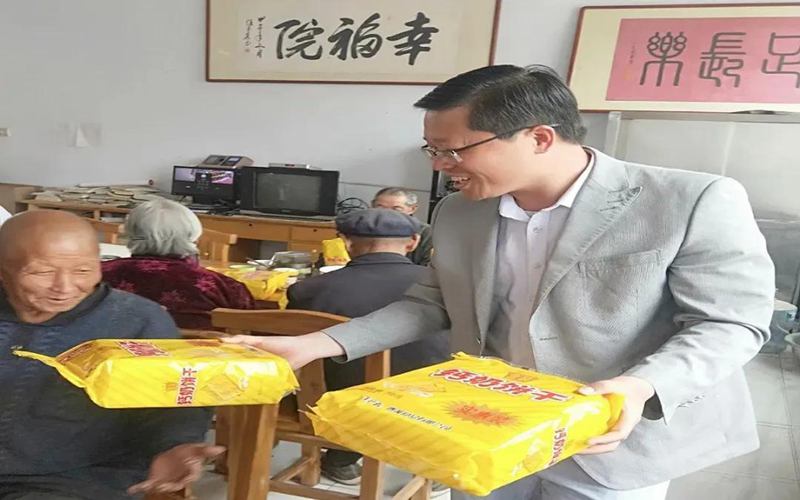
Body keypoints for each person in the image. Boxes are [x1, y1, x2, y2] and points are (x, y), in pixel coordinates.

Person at [225, 64, 775, 500]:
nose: (440, 165)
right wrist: (316, 343)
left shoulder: (688, 200)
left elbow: (731, 324)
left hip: (611, 442)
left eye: (454, 150)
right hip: (486, 429)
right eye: (432, 150)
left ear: (539, 138)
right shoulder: (460, 213)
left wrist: (641, 385)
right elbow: (431, 303)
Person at [0, 210, 220, 500]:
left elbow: (172, 402)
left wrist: (177, 444)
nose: (64, 287)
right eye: (42, 272)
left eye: (83, 271)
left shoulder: (137, 321)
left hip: (77, 478)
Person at [287, 208, 448, 486]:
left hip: (338, 408)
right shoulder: (445, 287)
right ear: (413, 242)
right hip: (429, 408)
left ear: (346, 242)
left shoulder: (309, 289)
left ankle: (340, 459)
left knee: (336, 377)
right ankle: (437, 468)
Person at [102, 198, 255, 329]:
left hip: (114, 353)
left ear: (130, 233)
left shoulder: (99, 275)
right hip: (200, 355)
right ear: (193, 236)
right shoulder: (224, 286)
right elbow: (251, 329)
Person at [372, 187, 433, 266]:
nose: (387, 213)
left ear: (412, 209)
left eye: (396, 209)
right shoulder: (363, 228)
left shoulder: (427, 233)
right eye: (380, 208)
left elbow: (429, 266)